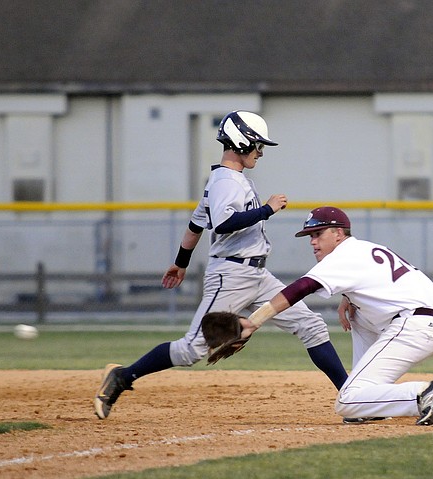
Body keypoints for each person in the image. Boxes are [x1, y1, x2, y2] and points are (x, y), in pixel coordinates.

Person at [94, 111, 348, 419]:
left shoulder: (227, 179)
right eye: (257, 145)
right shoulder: (227, 181)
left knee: (310, 325)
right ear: (241, 142)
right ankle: (123, 377)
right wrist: (267, 209)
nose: (260, 152)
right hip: (231, 275)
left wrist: (180, 263)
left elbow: (194, 226)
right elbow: (224, 224)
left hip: (256, 274)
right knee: (191, 350)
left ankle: (351, 396)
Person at [236, 206, 433, 425]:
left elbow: (301, 288)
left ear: (338, 234)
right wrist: (349, 298)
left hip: (413, 326)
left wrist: (254, 321)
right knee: (356, 314)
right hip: (430, 322)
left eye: (318, 234)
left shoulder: (342, 255)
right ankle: (368, 401)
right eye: (311, 236)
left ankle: (422, 393)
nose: (313, 241)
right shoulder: (365, 249)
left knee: (346, 401)